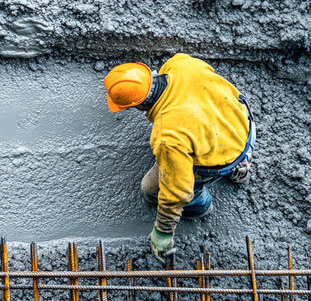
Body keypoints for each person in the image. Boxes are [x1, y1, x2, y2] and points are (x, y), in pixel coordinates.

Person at [104, 53, 255, 261]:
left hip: (219, 160)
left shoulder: (167, 136)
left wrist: (163, 232)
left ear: (136, 105)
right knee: (224, 148)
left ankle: (201, 206)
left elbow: (177, 192)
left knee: (150, 191)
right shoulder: (179, 63)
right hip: (243, 127)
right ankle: (241, 168)